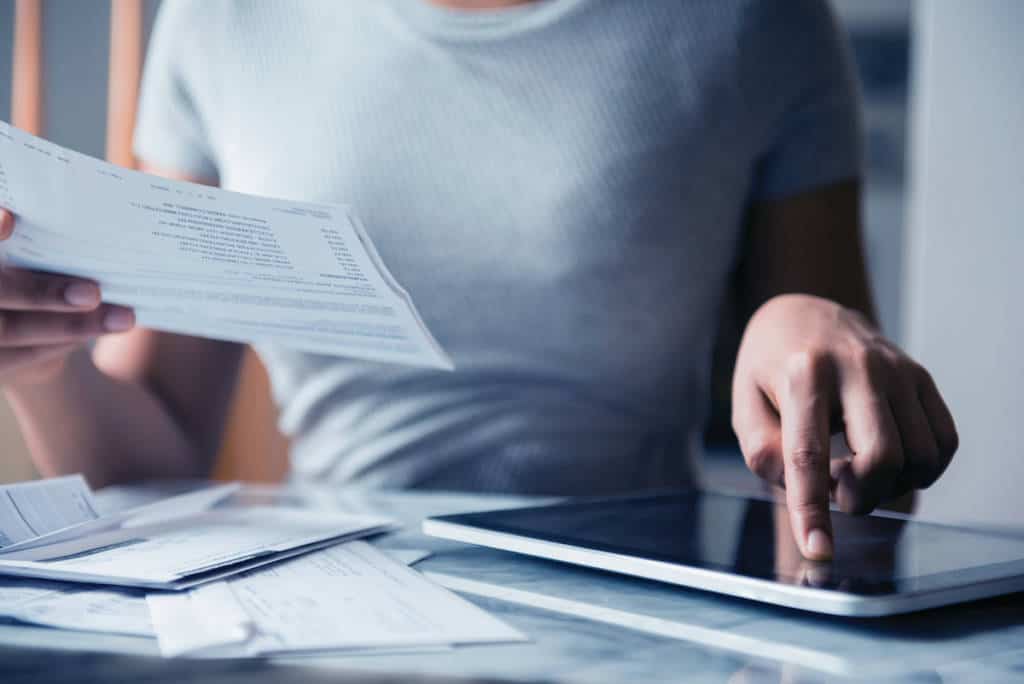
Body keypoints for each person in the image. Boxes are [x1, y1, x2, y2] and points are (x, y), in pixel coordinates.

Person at [0, 0, 957, 561]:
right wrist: (43, 364)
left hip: (647, 604)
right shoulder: (222, 18)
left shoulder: (758, 21)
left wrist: (801, 323)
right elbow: (151, 454)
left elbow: (856, 480)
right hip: (321, 594)